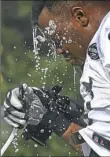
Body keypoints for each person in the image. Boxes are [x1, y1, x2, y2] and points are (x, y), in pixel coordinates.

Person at [3, 1, 110, 156]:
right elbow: (99, 146)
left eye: (57, 40)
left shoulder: (102, 43)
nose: (58, 50)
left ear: (80, 16)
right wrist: (55, 118)